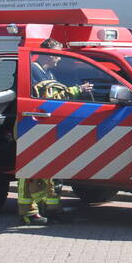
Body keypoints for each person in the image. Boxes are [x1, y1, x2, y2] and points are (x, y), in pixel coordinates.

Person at [19, 38, 90, 225]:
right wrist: (76, 90)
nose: (59, 59)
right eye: (57, 56)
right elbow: (47, 96)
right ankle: (28, 212)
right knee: (30, 171)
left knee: (51, 169)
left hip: (47, 125)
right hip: (33, 125)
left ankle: (51, 208)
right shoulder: (33, 71)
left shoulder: (46, 72)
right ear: (47, 55)